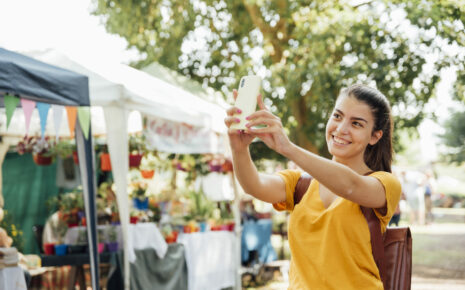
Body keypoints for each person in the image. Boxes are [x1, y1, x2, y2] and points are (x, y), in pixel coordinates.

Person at [225, 84, 401, 289]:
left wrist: (287, 148)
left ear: (375, 136)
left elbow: (351, 186)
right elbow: (254, 186)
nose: (341, 129)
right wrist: (239, 150)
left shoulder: (385, 184)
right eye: (337, 116)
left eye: (356, 124)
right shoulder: (300, 184)